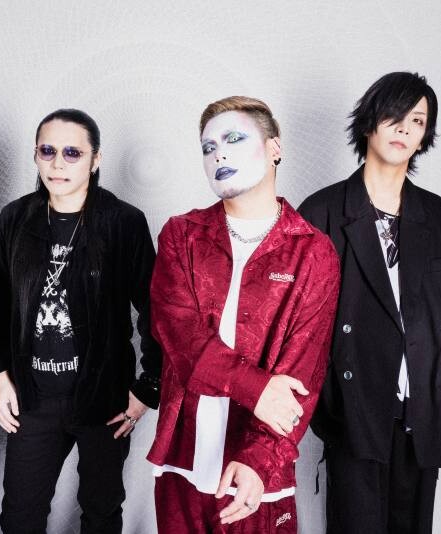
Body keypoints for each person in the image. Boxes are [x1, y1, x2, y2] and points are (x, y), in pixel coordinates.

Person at [298, 72, 441, 534]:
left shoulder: (440, 218)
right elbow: (300, 325)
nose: (405, 127)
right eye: (395, 114)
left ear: (425, 137)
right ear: (369, 122)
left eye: (418, 121)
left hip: (424, 410)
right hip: (354, 412)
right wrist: (330, 403)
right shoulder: (321, 213)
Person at [147, 96, 340, 533]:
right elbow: (179, 335)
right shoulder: (181, 235)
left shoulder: (313, 252)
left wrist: (260, 460)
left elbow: (302, 373)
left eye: (234, 139)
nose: (219, 154)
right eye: (208, 147)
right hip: (183, 461)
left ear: (275, 148)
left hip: (257, 475)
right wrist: (257, 387)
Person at [0, 108, 162, 533]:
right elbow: (0, 306)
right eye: (47, 151)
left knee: (101, 512)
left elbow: (156, 309)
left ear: (95, 159)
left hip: (103, 400)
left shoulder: (123, 222)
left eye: (72, 152)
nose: (58, 163)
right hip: (32, 399)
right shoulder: (15, 219)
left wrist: (148, 388)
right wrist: (1, 376)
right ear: (35, 155)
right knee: (19, 517)